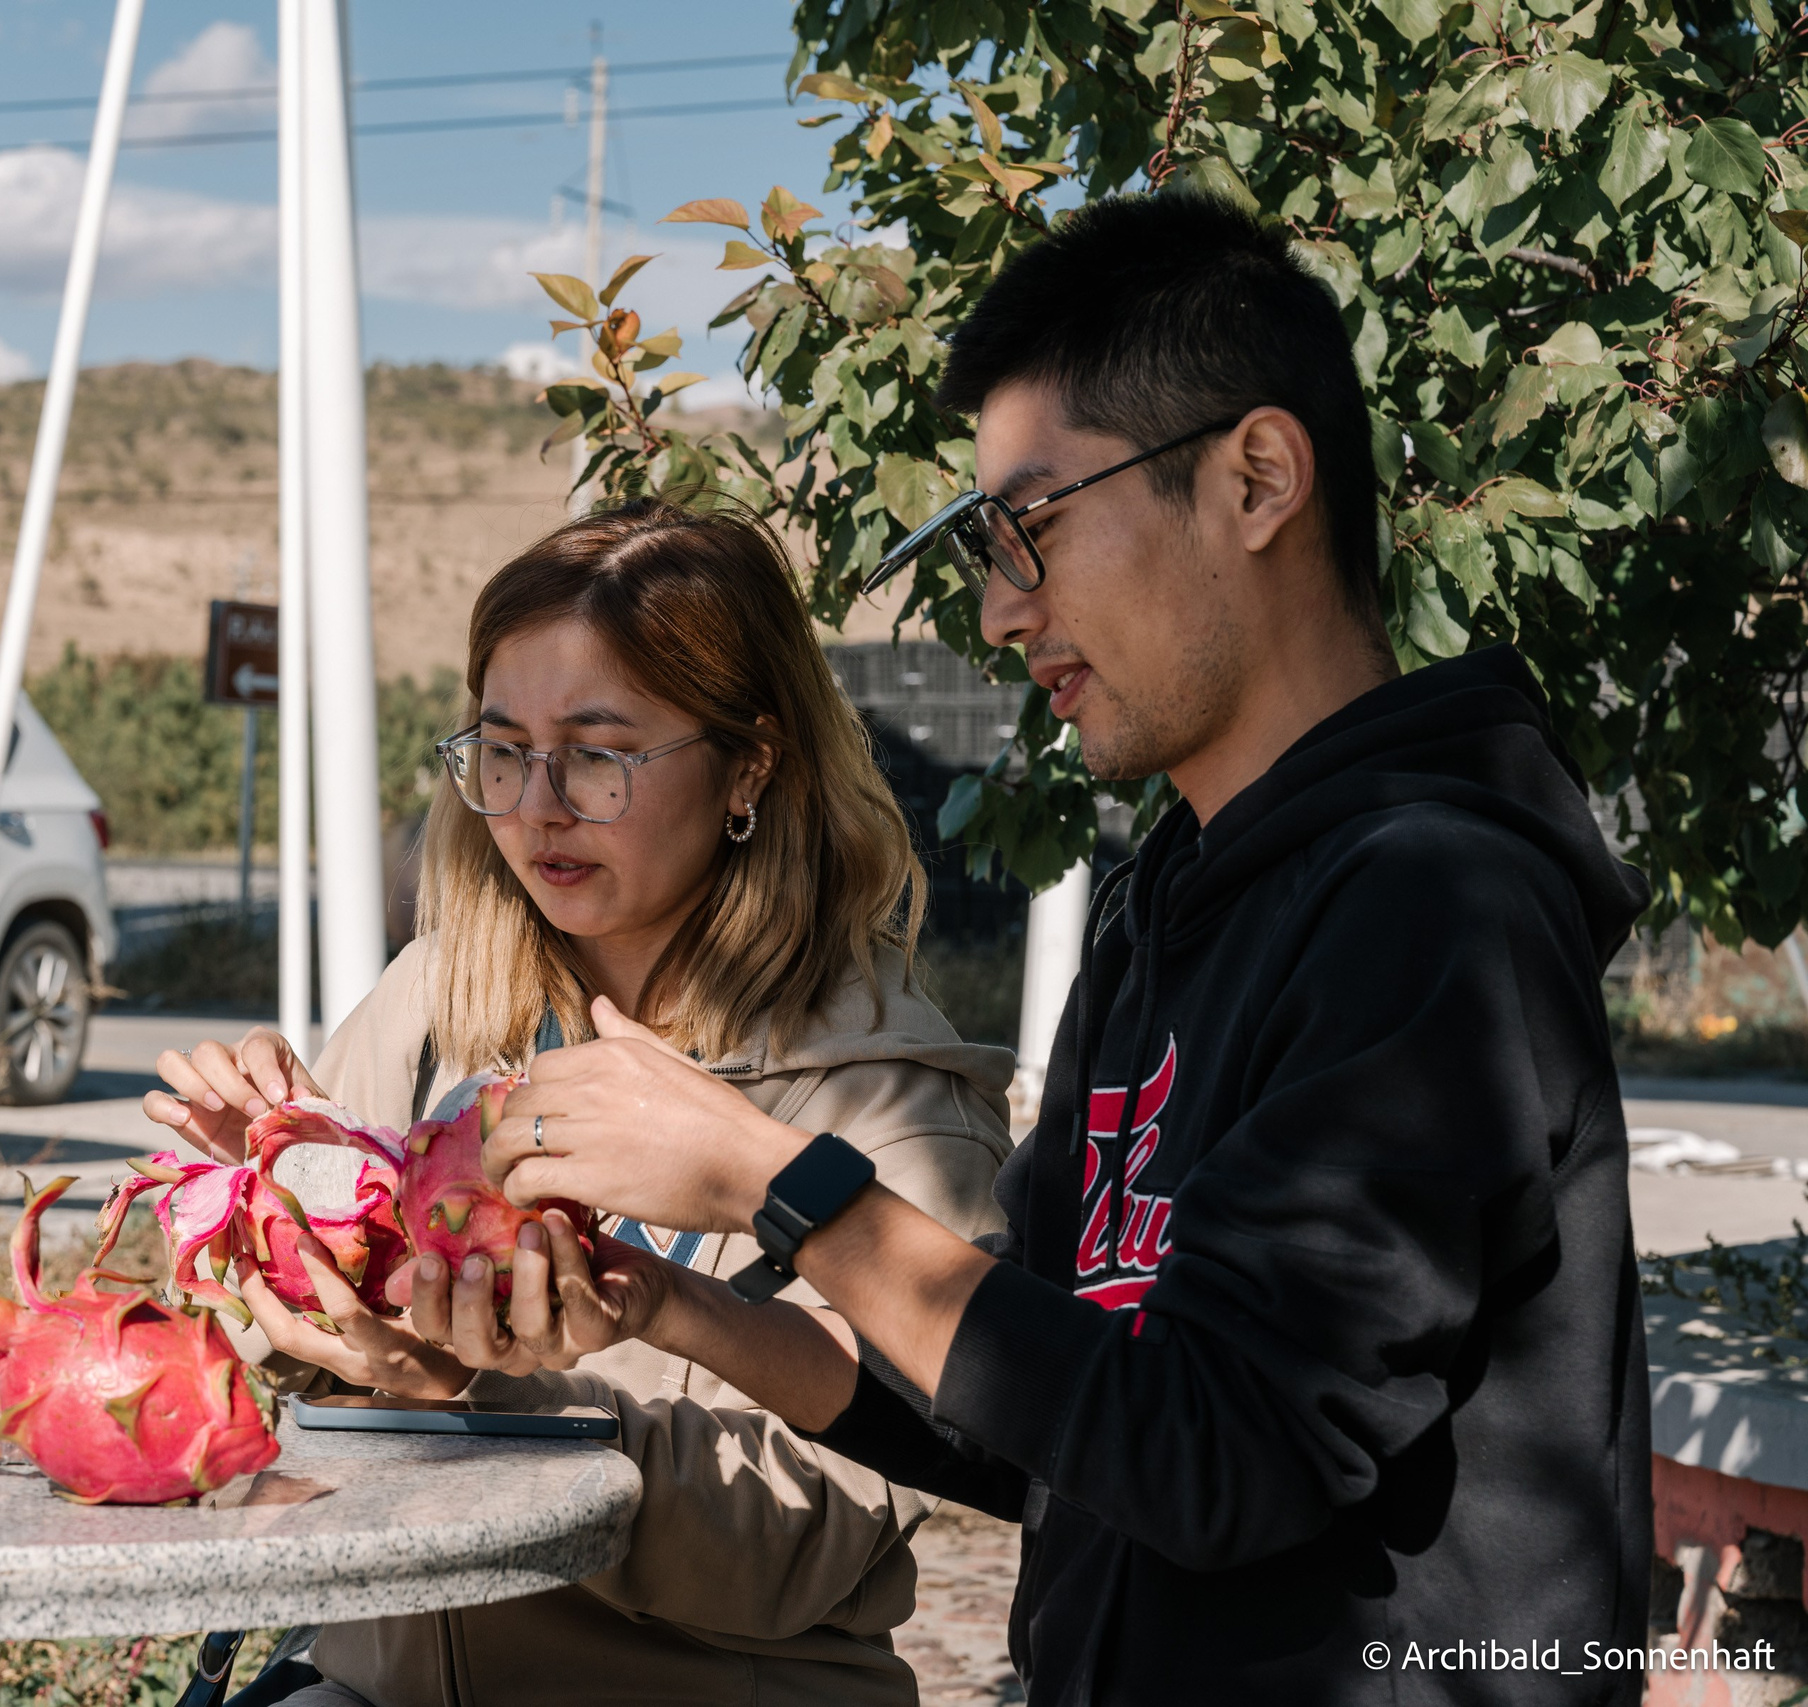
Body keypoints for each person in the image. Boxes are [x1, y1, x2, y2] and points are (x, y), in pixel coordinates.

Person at [463, 194, 1654, 1705]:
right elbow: (1037, 1404)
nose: (1001, 607)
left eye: (1029, 524)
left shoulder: (1434, 903)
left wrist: (772, 1177)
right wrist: (674, 1301)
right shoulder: (1169, 899)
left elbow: (1217, 1452)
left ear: (1259, 477)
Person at [143, 499, 1017, 1707]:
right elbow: (253, 1371)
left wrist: (473, 1398)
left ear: (749, 764)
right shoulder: (439, 1001)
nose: (537, 805)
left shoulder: (890, 1105)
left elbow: (796, 1544)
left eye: (599, 754)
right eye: (502, 750)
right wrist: (262, 1209)